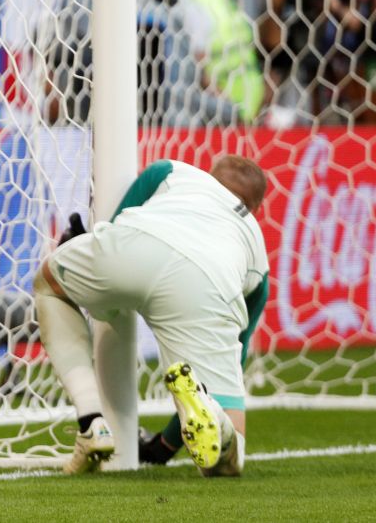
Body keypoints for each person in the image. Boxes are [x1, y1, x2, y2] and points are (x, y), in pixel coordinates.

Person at [34, 155, 269, 476]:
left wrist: (81, 248)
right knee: (229, 458)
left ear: (207, 175)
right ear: (256, 210)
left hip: (137, 244)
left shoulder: (173, 172)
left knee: (48, 286)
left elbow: (112, 227)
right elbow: (237, 357)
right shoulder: (255, 246)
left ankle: (91, 420)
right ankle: (215, 418)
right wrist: (166, 445)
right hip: (210, 284)